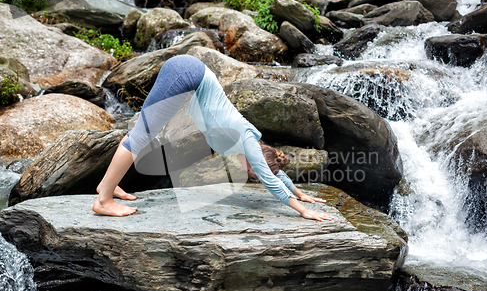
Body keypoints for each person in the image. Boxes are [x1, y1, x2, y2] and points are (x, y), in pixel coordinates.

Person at [93, 55, 333, 222]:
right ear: (256, 160)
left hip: (188, 73)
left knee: (145, 133)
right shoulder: (248, 141)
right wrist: (302, 210)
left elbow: (274, 173)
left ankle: (108, 186)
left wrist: (300, 193)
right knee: (141, 136)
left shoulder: (248, 148)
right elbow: (269, 179)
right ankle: (104, 199)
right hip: (187, 73)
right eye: (252, 172)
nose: (250, 175)